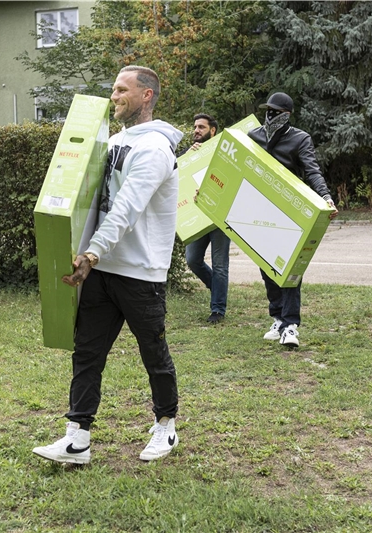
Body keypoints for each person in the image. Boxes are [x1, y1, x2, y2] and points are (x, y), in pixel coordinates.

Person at [32, 66, 183, 465]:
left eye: (122, 89)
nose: (113, 96)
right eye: (113, 88)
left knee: (153, 350)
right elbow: (91, 202)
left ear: (146, 95)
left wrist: (92, 253)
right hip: (102, 270)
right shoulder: (115, 140)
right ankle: (77, 437)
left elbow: (127, 207)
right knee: (87, 352)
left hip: (139, 272)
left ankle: (165, 426)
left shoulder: (155, 149)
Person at [247, 92, 339, 348]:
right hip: (258, 212)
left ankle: (290, 325)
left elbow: (312, 170)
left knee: (289, 269)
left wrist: (326, 197)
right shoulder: (254, 136)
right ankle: (277, 317)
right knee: (267, 268)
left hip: (289, 214)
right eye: (268, 110)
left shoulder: (300, 139)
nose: (270, 115)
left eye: (276, 112)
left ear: (287, 115)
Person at [185, 114, 231, 323]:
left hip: (219, 214)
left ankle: (218, 310)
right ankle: (217, 288)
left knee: (220, 264)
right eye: (195, 127)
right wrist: (187, 157)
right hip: (198, 215)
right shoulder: (190, 153)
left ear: (212, 130)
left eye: (201, 127)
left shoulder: (224, 150)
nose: (196, 130)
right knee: (193, 259)